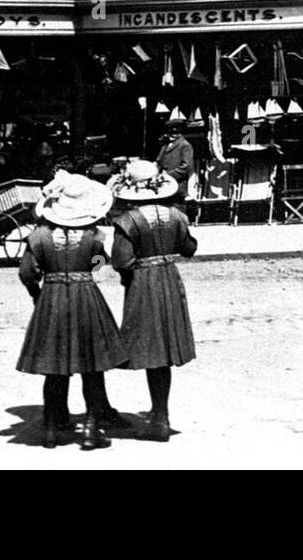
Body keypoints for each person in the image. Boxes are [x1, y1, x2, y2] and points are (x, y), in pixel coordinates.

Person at [17, 170, 128, 450]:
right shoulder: (93, 236)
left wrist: (37, 294)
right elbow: (100, 262)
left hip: (51, 299)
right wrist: (83, 269)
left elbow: (27, 273)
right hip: (86, 297)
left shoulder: (39, 236)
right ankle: (91, 429)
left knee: (54, 367)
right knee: (91, 366)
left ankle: (52, 428)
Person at [109, 159, 197, 442]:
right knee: (166, 350)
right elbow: (189, 249)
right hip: (169, 279)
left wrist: (127, 277)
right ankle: (161, 412)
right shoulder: (177, 217)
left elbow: (121, 260)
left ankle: (159, 417)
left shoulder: (127, 221)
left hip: (143, 283)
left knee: (152, 349)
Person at [156, 121, 195, 202]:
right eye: (171, 132)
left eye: (176, 132)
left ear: (181, 132)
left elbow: (186, 167)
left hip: (177, 186)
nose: (173, 134)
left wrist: (167, 175)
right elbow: (159, 161)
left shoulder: (185, 145)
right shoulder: (165, 145)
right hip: (163, 185)